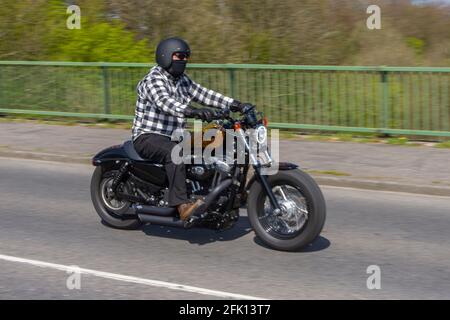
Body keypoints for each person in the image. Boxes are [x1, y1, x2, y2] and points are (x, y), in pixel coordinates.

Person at [132, 37, 245, 221]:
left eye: (186, 57)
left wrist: (236, 105)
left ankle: (222, 192)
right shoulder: (153, 80)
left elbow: (205, 94)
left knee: (217, 142)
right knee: (175, 153)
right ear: (166, 56)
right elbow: (165, 102)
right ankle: (181, 205)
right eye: (179, 56)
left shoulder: (182, 80)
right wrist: (192, 111)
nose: (183, 60)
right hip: (148, 136)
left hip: (175, 135)